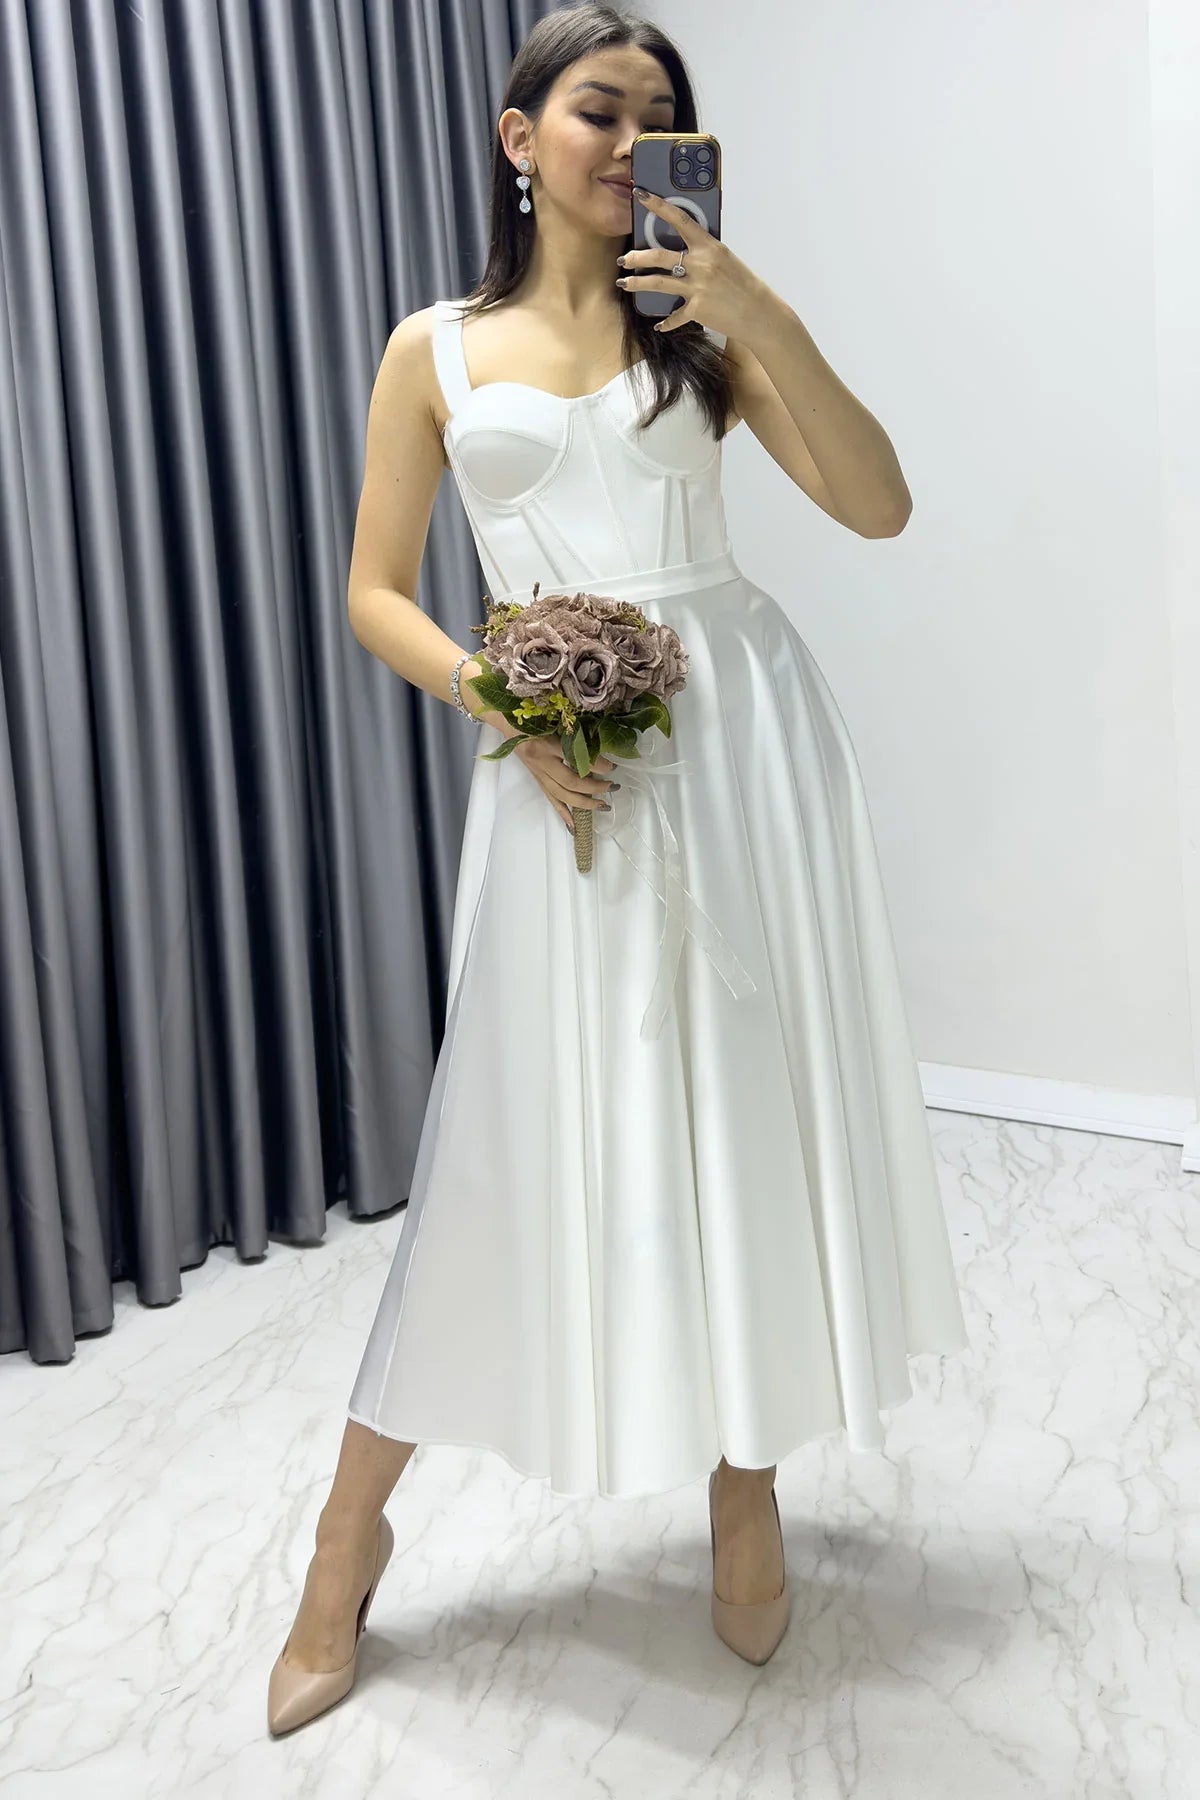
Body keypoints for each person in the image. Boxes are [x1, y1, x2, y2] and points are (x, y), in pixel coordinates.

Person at [268, 5, 969, 1735]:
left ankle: (746, 1489)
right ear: (520, 138)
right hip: (560, 772)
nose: (629, 141)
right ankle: (347, 1539)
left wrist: (757, 310)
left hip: (743, 754)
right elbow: (373, 590)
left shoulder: (704, 332)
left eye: (661, 115)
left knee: (742, 1112)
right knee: (505, 1146)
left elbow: (880, 506)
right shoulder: (433, 348)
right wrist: (501, 698)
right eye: (599, 109)